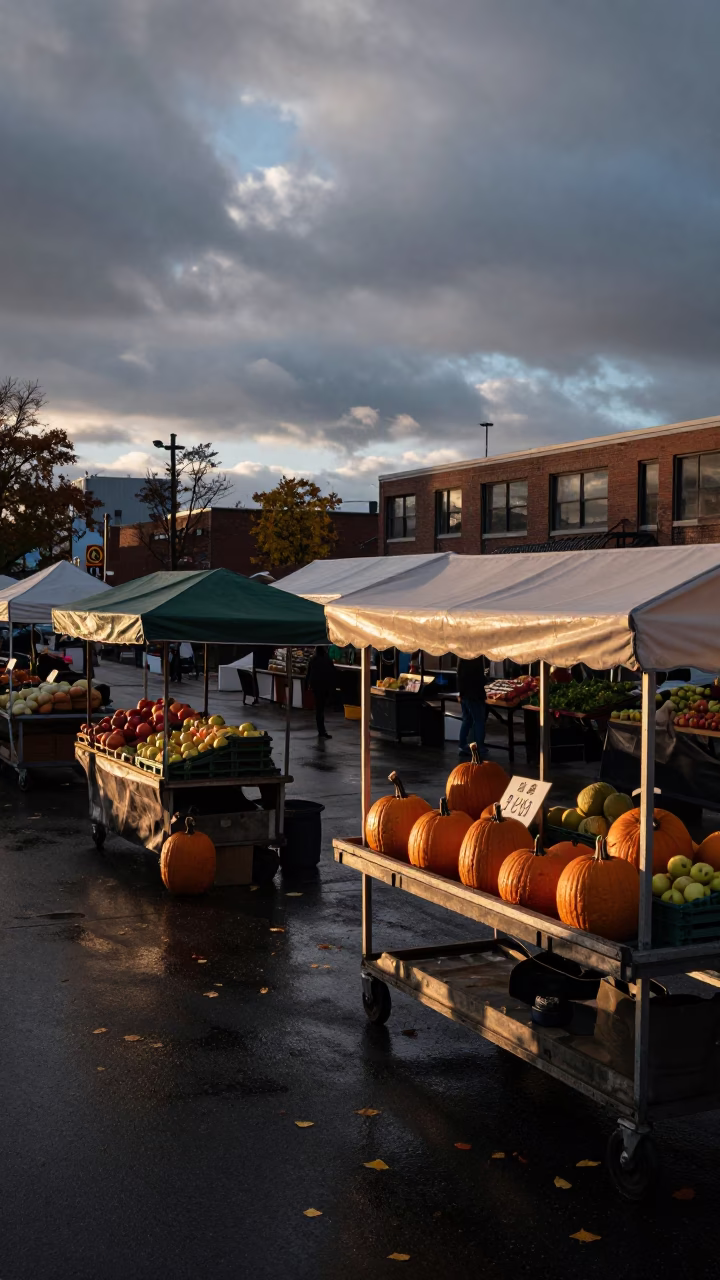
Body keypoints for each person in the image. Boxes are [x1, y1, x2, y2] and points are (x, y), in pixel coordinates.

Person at [456, 655, 487, 759]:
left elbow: (459, 674)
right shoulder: (476, 657)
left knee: (467, 719)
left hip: (464, 693)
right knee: (479, 721)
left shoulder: (462, 656)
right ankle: (478, 747)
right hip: (474, 694)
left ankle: (462, 745)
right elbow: (479, 677)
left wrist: (460, 692)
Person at [307, 646, 336, 739]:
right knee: (321, 709)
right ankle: (322, 731)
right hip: (325, 687)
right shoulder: (327, 659)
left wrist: (307, 685)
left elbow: (309, 674)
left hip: (316, 687)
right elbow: (332, 672)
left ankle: (321, 730)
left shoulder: (313, 659)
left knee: (319, 710)